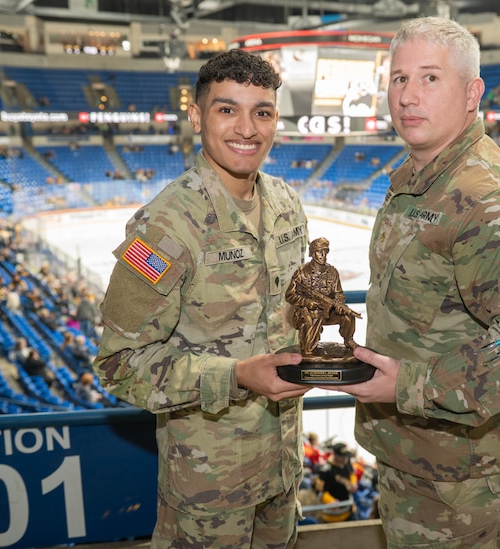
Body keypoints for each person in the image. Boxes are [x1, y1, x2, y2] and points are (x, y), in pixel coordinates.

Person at [328, 17, 500, 548]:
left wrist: (410, 385)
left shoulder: (491, 199)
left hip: (460, 475)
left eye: (430, 78)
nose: (408, 96)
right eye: (398, 79)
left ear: (472, 93)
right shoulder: (422, 181)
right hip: (412, 453)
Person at [92, 48, 311, 549]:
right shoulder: (166, 225)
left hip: (282, 471)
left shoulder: (286, 205)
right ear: (196, 116)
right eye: (227, 109)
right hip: (209, 491)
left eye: (262, 112)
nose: (247, 128)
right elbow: (120, 365)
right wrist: (234, 376)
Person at [285, 237, 359, 355]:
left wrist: (339, 304)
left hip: (328, 311)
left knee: (348, 316)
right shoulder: (302, 272)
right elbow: (290, 295)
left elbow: (338, 293)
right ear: (312, 253)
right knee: (308, 350)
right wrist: (307, 302)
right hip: (309, 313)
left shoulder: (332, 272)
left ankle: (349, 340)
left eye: (325, 251)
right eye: (319, 251)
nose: (323, 255)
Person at [313, 442, 358, 523]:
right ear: (334, 454)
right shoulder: (325, 471)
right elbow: (320, 492)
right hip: (332, 516)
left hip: (348, 508)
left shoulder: (346, 462)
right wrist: (331, 501)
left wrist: (354, 483)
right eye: (342, 457)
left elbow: (351, 473)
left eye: (346, 456)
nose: (345, 459)